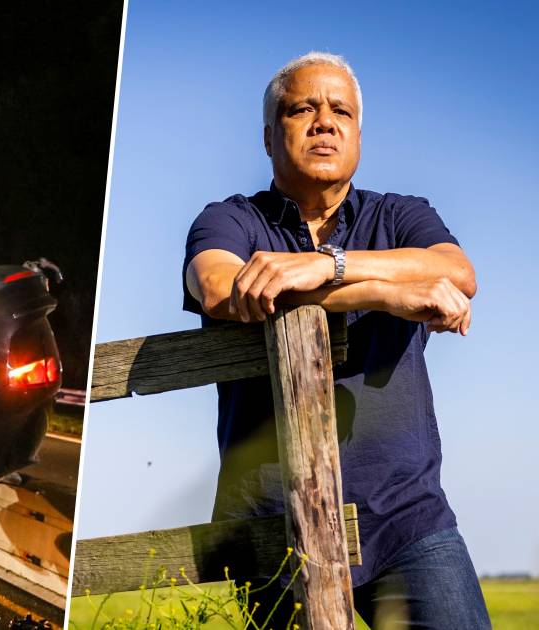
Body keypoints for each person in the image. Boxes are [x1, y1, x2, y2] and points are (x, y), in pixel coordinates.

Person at [182, 52, 487, 628]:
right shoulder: (231, 220)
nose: (325, 122)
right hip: (274, 525)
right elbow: (222, 290)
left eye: (340, 110)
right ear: (270, 137)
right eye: (303, 109)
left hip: (407, 520)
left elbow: (457, 272)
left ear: (358, 135)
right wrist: (385, 294)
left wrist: (331, 267)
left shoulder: (401, 214)